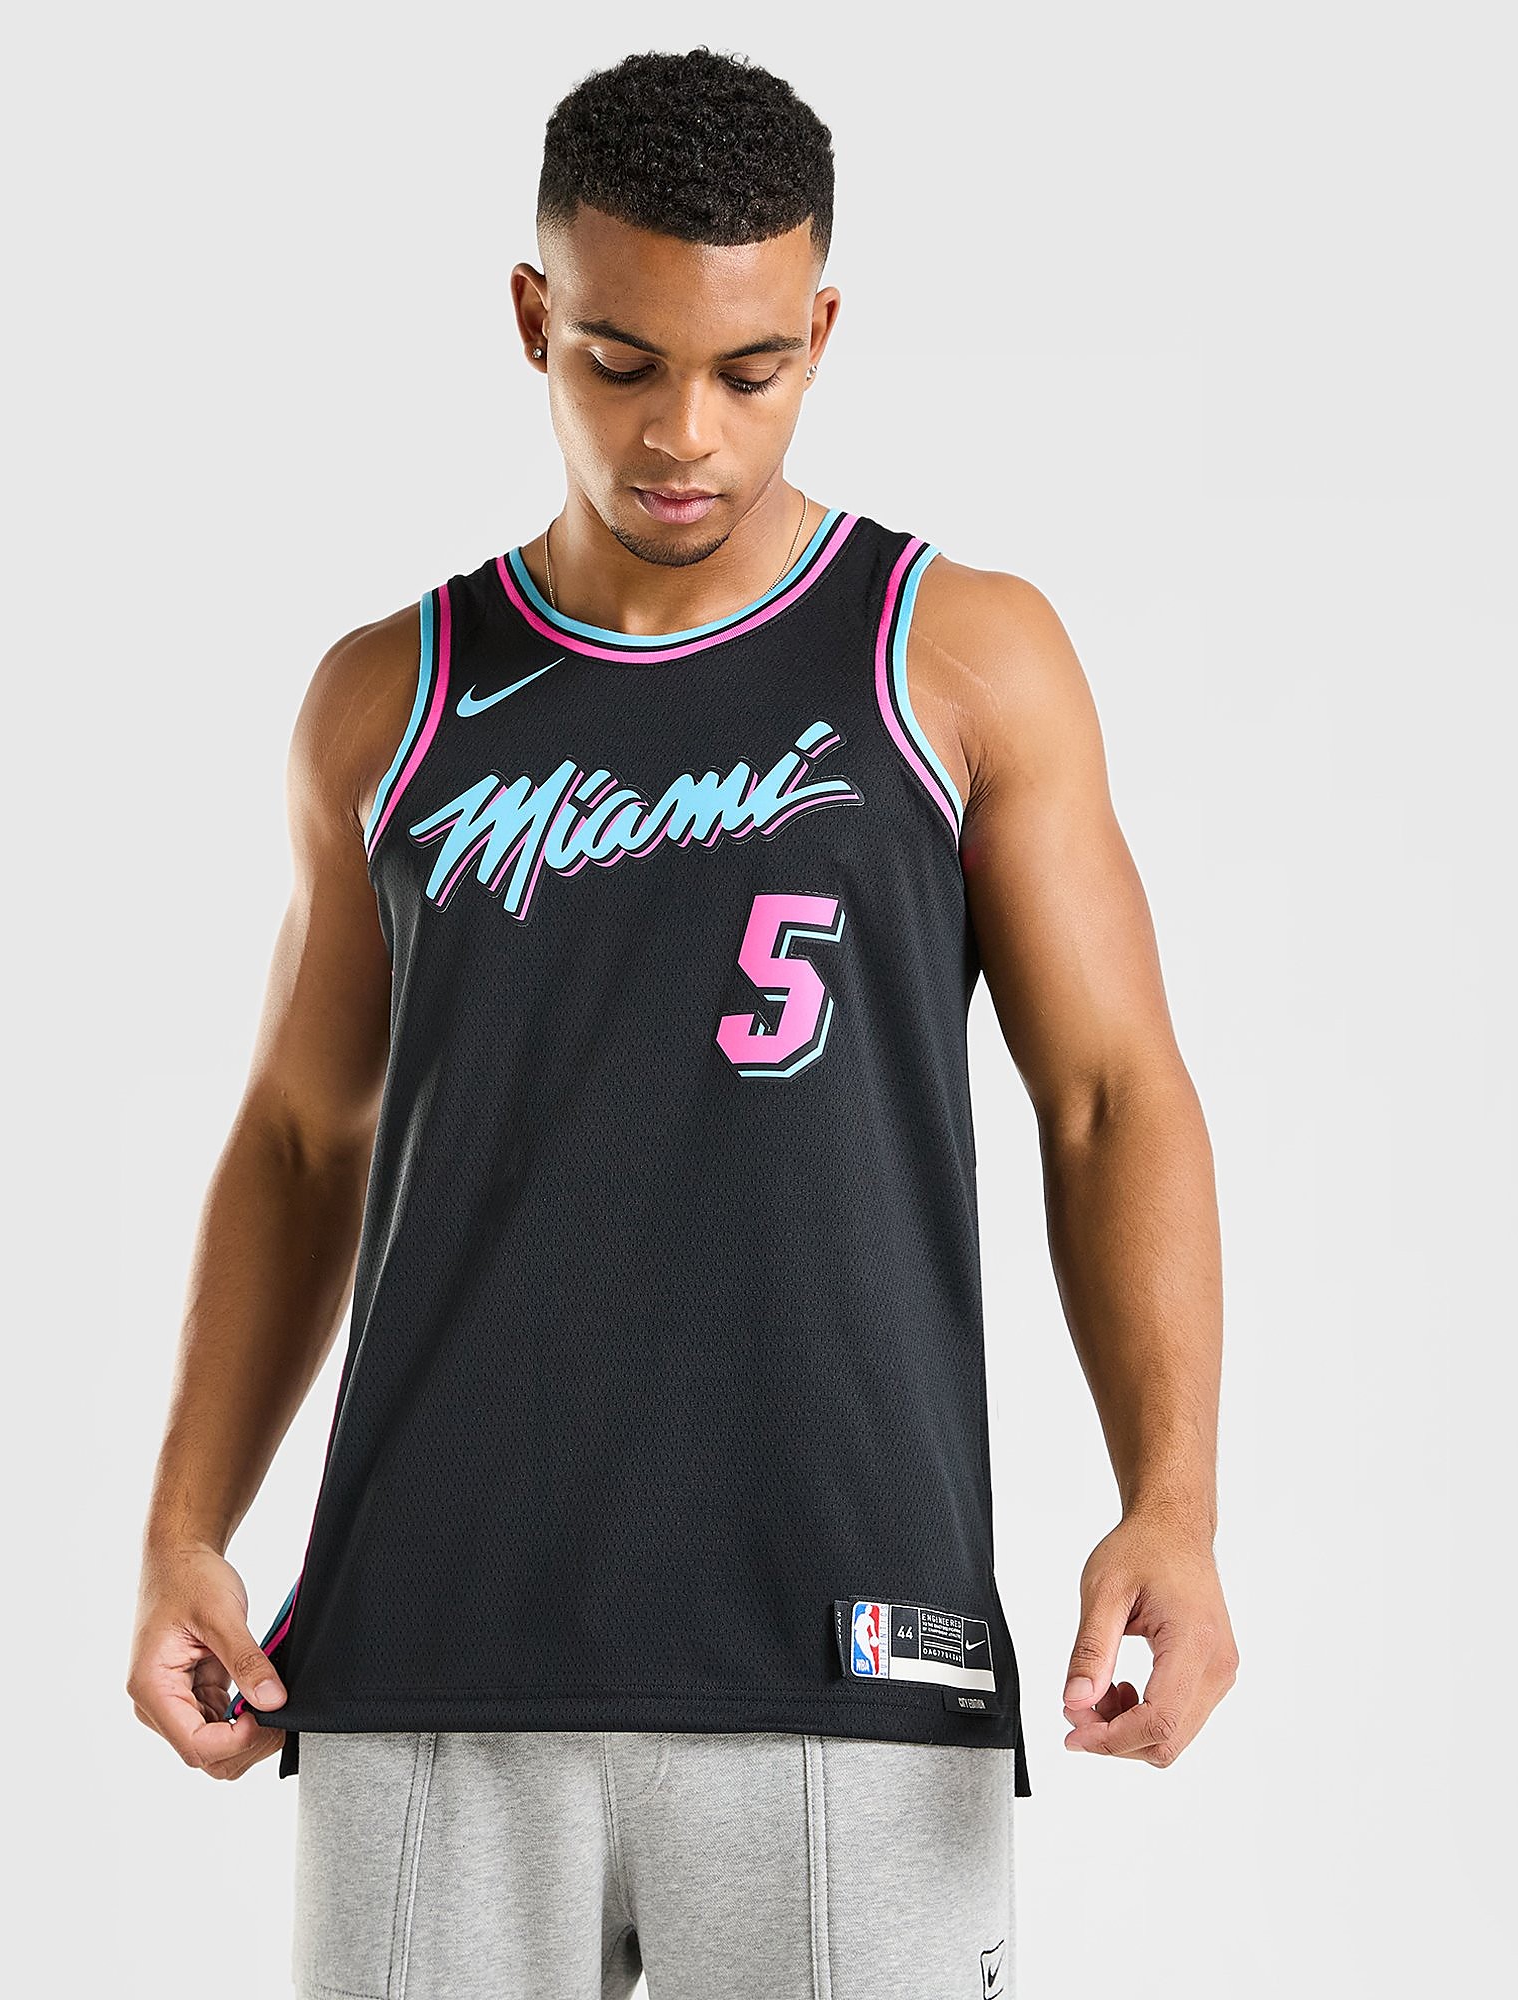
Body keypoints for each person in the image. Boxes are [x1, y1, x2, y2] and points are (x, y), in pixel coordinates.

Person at [127, 44, 1237, 2000]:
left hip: (850, 1649)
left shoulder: (957, 657)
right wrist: (183, 1525)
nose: (682, 435)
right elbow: (302, 1134)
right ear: (532, 316)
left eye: (750, 370)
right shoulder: (392, 697)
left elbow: (1106, 1094)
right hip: (431, 1655)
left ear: (821, 332)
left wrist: (1173, 1499)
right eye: (621, 362)